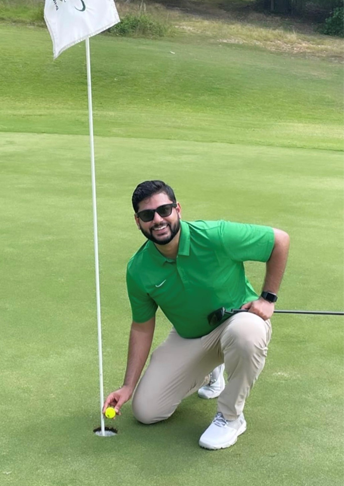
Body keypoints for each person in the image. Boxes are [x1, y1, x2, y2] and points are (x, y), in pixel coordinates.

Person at [103, 180, 290, 450]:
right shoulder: (138, 269)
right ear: (138, 221)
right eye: (147, 215)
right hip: (190, 337)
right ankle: (210, 371)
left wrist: (268, 298)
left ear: (178, 209)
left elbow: (279, 241)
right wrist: (127, 386)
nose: (158, 220)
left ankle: (230, 418)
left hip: (238, 322)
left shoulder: (216, 235)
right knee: (146, 411)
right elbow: (142, 327)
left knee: (246, 333)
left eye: (164, 210)